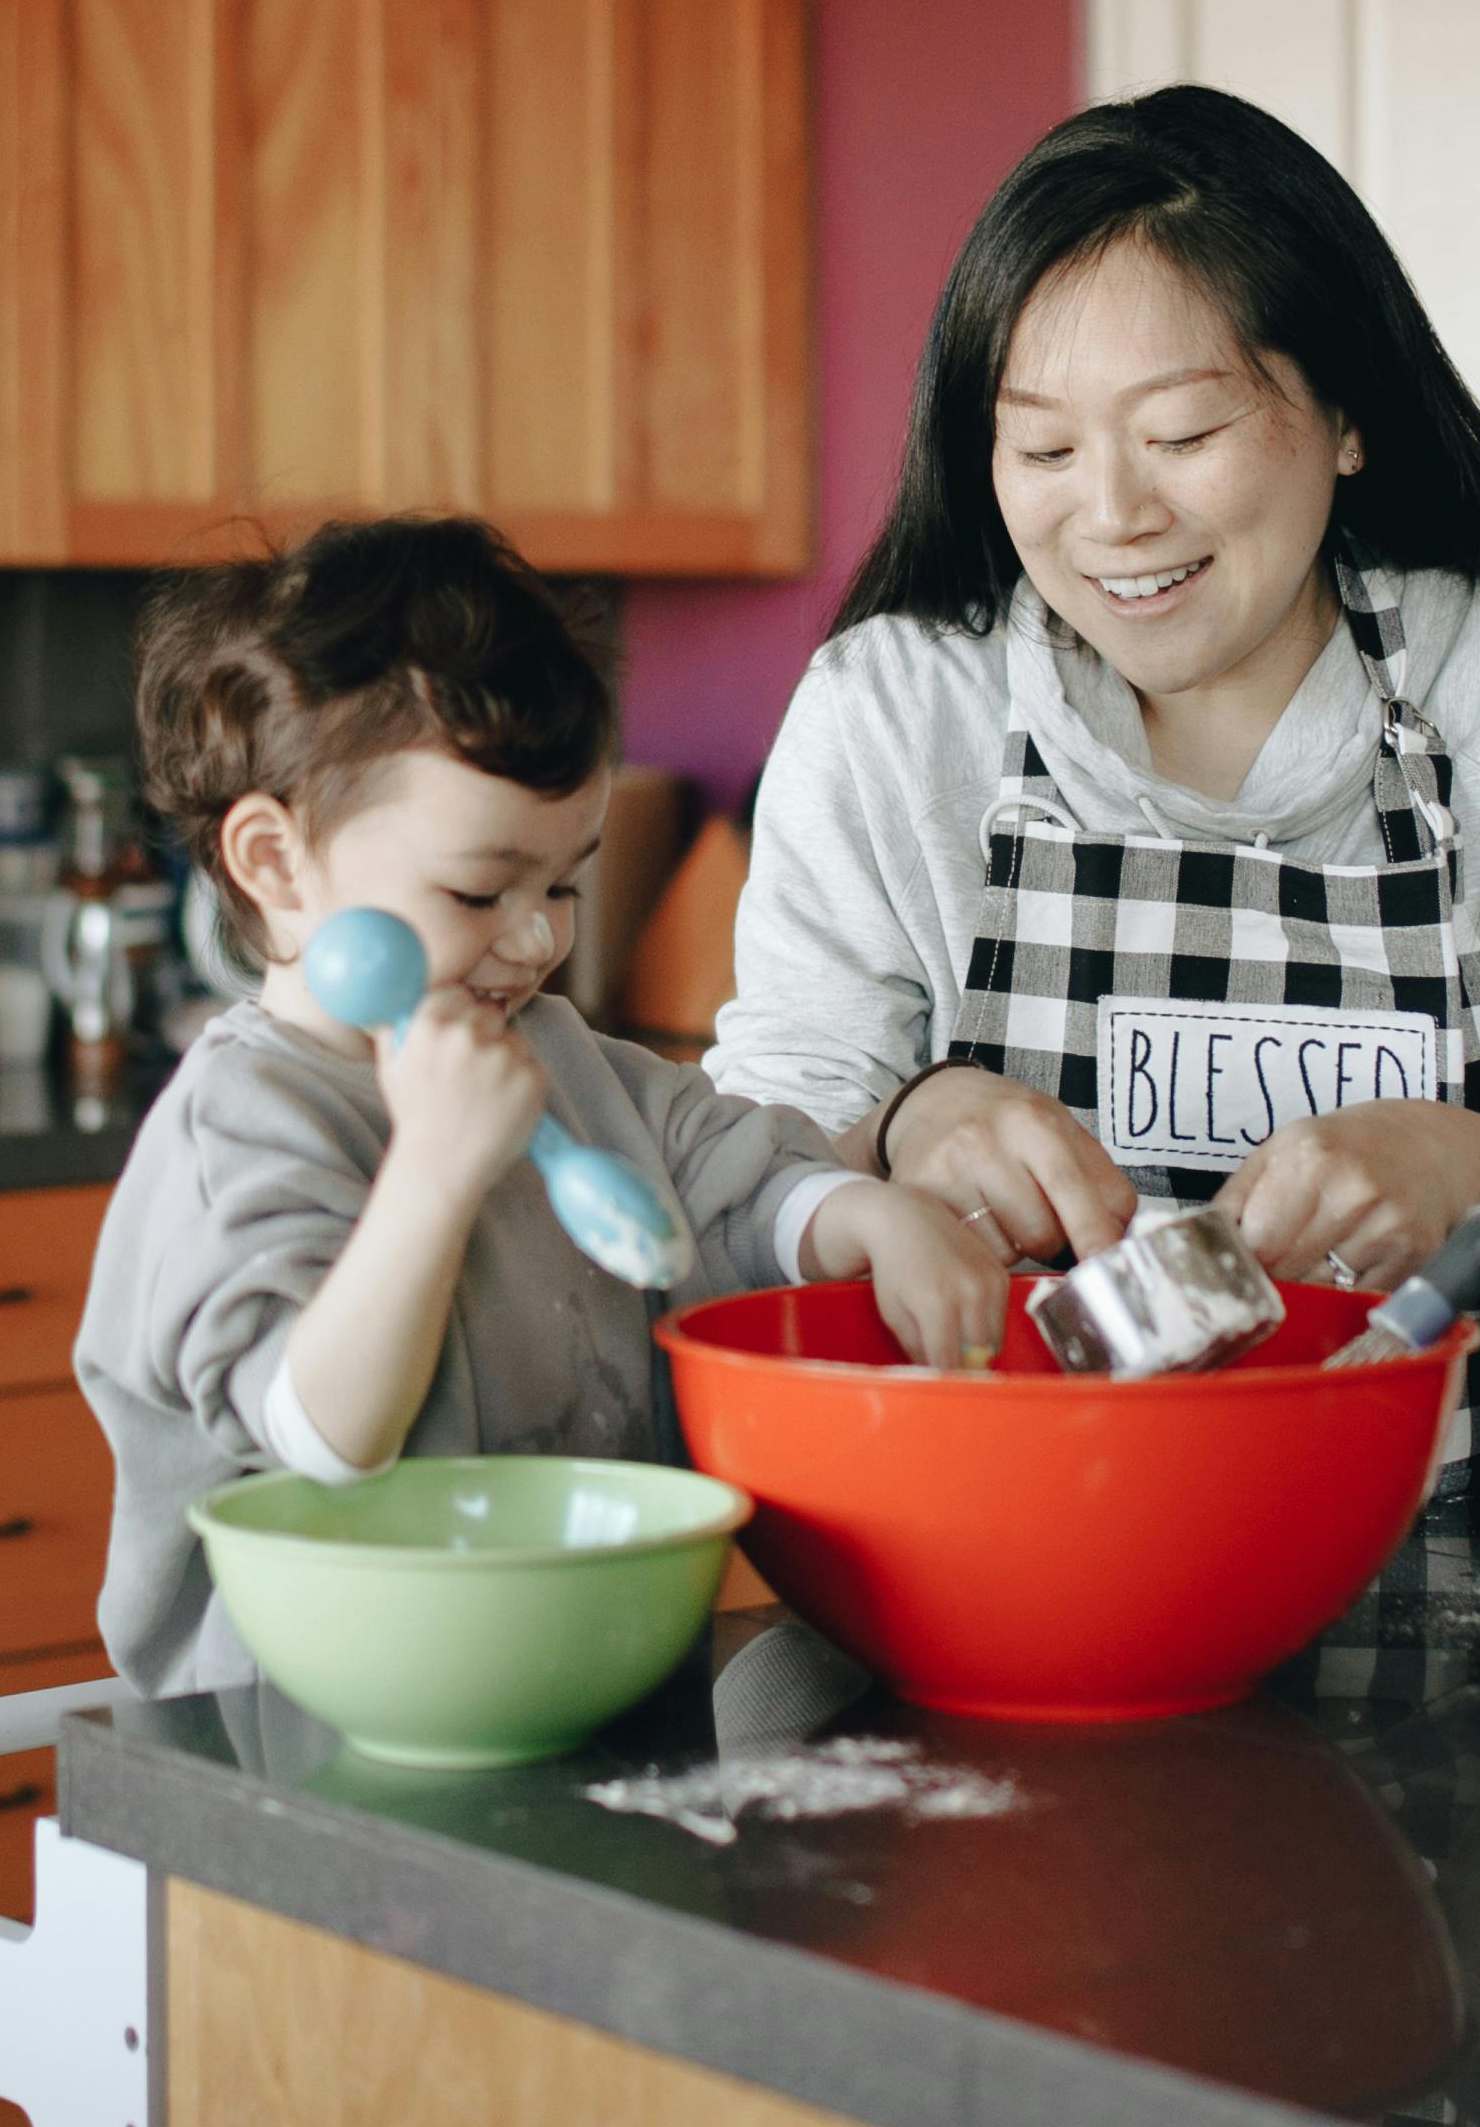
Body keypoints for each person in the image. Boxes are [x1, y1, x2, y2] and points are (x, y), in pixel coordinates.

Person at [706, 87, 1480, 1495]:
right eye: (1040, 448)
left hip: (1467, 1598)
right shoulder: (898, 718)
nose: (1110, 517)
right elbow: (731, 1193)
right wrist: (903, 1125)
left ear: (1344, 414)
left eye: (1184, 433)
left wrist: (1475, 1173)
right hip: (995, 1553)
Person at [79, 514, 1004, 1697]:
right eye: (477, 889)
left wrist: (862, 1217)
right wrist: (430, 1178)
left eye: (562, 881)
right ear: (274, 862)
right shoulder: (242, 1131)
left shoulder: (562, 1057)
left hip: (585, 1676)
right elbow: (319, 1436)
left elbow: (734, 1172)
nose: (535, 939)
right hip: (306, 1734)